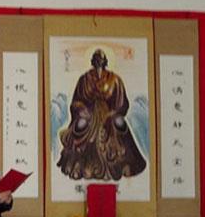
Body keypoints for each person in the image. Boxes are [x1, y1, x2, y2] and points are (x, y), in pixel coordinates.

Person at [57, 49, 146, 181]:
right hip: (89, 115)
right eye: (96, 60)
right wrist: (82, 110)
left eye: (101, 60)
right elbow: (76, 102)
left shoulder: (114, 79)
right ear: (92, 61)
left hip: (109, 115)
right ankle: (80, 164)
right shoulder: (84, 79)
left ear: (105, 62)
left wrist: (113, 113)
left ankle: (124, 164)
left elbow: (122, 104)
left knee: (119, 125)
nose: (99, 63)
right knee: (81, 126)